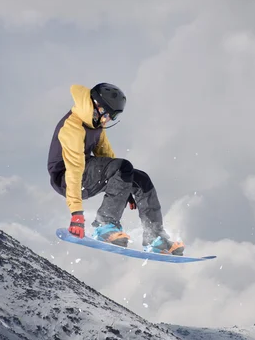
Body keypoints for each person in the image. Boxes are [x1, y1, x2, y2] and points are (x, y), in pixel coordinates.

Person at [47, 83, 184, 255]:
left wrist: (124, 184)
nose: (108, 119)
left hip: (86, 171)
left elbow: (106, 155)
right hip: (66, 178)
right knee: (123, 166)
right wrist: (76, 213)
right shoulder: (72, 127)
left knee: (141, 179)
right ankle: (104, 225)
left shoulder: (95, 122)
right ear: (97, 106)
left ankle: (155, 237)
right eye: (109, 114)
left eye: (114, 115)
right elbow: (74, 169)